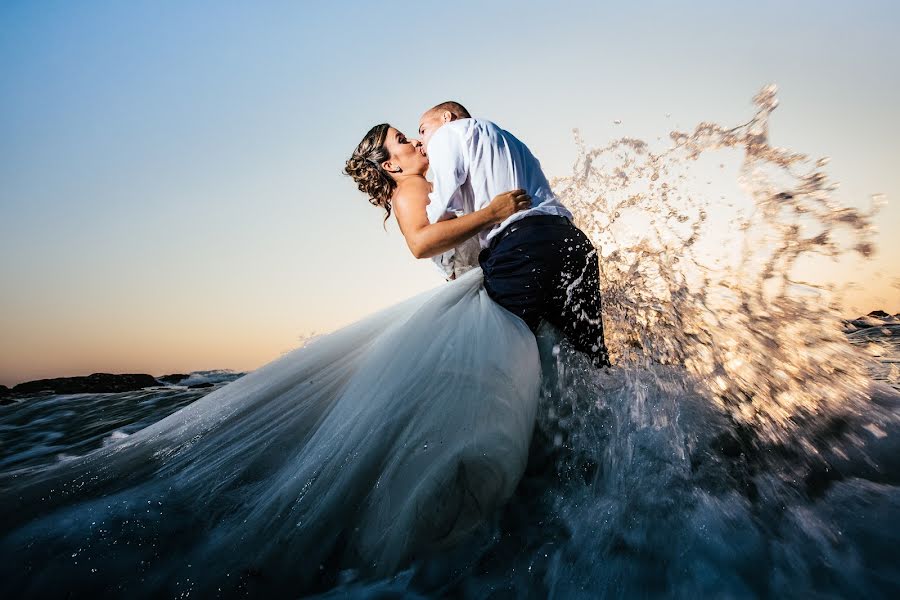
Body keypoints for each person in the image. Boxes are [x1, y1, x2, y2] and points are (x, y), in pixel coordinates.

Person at [0, 132, 545, 598]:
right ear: (389, 164)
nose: (417, 143)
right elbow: (421, 243)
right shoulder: (411, 187)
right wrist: (496, 212)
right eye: (403, 140)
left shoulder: (437, 178)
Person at [417, 101, 611, 369]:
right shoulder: (511, 141)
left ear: (446, 118)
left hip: (522, 247)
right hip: (571, 242)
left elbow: (440, 210)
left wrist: (426, 225)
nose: (422, 143)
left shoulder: (449, 134)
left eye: (423, 131)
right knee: (591, 360)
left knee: (498, 357)